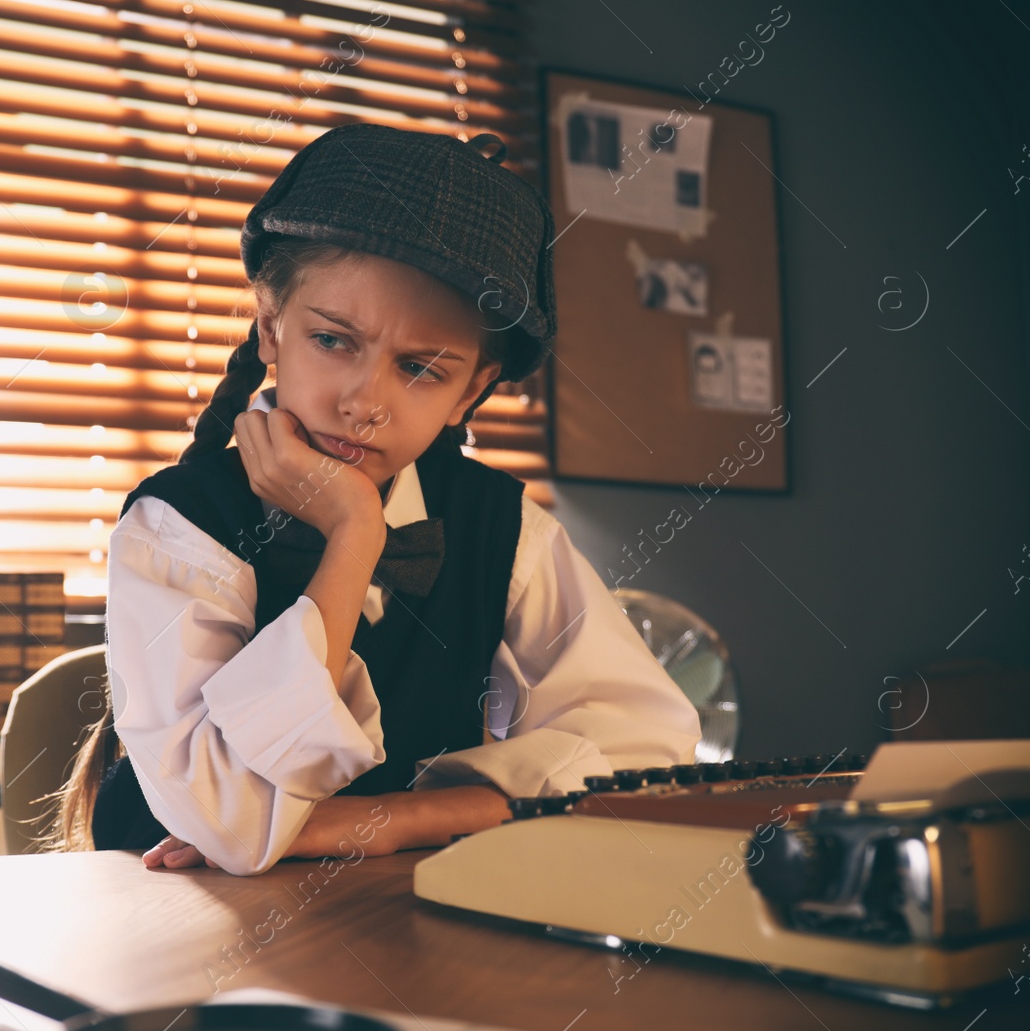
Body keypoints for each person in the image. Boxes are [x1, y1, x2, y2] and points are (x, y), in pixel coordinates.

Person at [36, 123, 701, 876]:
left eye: (420, 368)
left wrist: (396, 819)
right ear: (270, 327)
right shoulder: (176, 524)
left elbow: (650, 747)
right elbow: (233, 822)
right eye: (333, 341)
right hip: (165, 927)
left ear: (471, 391)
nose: (365, 402)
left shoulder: (505, 529)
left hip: (397, 915)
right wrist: (355, 532)